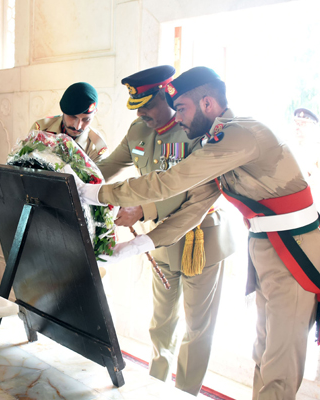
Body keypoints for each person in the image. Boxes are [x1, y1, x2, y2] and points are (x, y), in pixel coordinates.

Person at [77, 67, 320, 400]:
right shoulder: (214, 142)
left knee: (279, 364)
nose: (178, 117)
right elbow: (196, 207)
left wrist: (96, 194)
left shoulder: (239, 136)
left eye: (182, 108)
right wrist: (139, 245)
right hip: (265, 247)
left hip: (292, 249)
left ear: (208, 104)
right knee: (264, 351)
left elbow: (170, 183)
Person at [96, 65, 235, 396]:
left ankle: (185, 392)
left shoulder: (197, 130)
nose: (141, 113)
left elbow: (192, 190)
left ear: (167, 96)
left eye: (147, 105)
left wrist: (142, 209)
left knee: (197, 329)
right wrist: (66, 174)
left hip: (200, 240)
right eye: (137, 107)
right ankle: (156, 387)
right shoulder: (138, 132)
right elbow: (103, 169)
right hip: (159, 242)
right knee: (161, 323)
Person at [30, 82, 108, 162]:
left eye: (86, 119)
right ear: (63, 111)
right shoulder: (41, 129)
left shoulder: (96, 147)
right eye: (73, 117)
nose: (77, 127)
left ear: (95, 112)